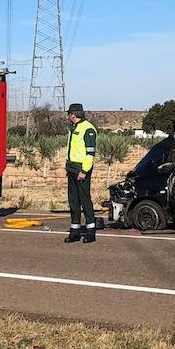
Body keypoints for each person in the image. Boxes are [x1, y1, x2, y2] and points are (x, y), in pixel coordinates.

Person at [64, 103, 99, 244]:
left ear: (73, 114)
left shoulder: (88, 129)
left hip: (81, 171)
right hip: (71, 170)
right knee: (73, 202)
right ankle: (75, 232)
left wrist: (84, 171)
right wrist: (68, 168)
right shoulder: (73, 128)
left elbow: (90, 154)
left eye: (69, 114)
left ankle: (91, 232)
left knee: (85, 201)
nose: (68, 116)